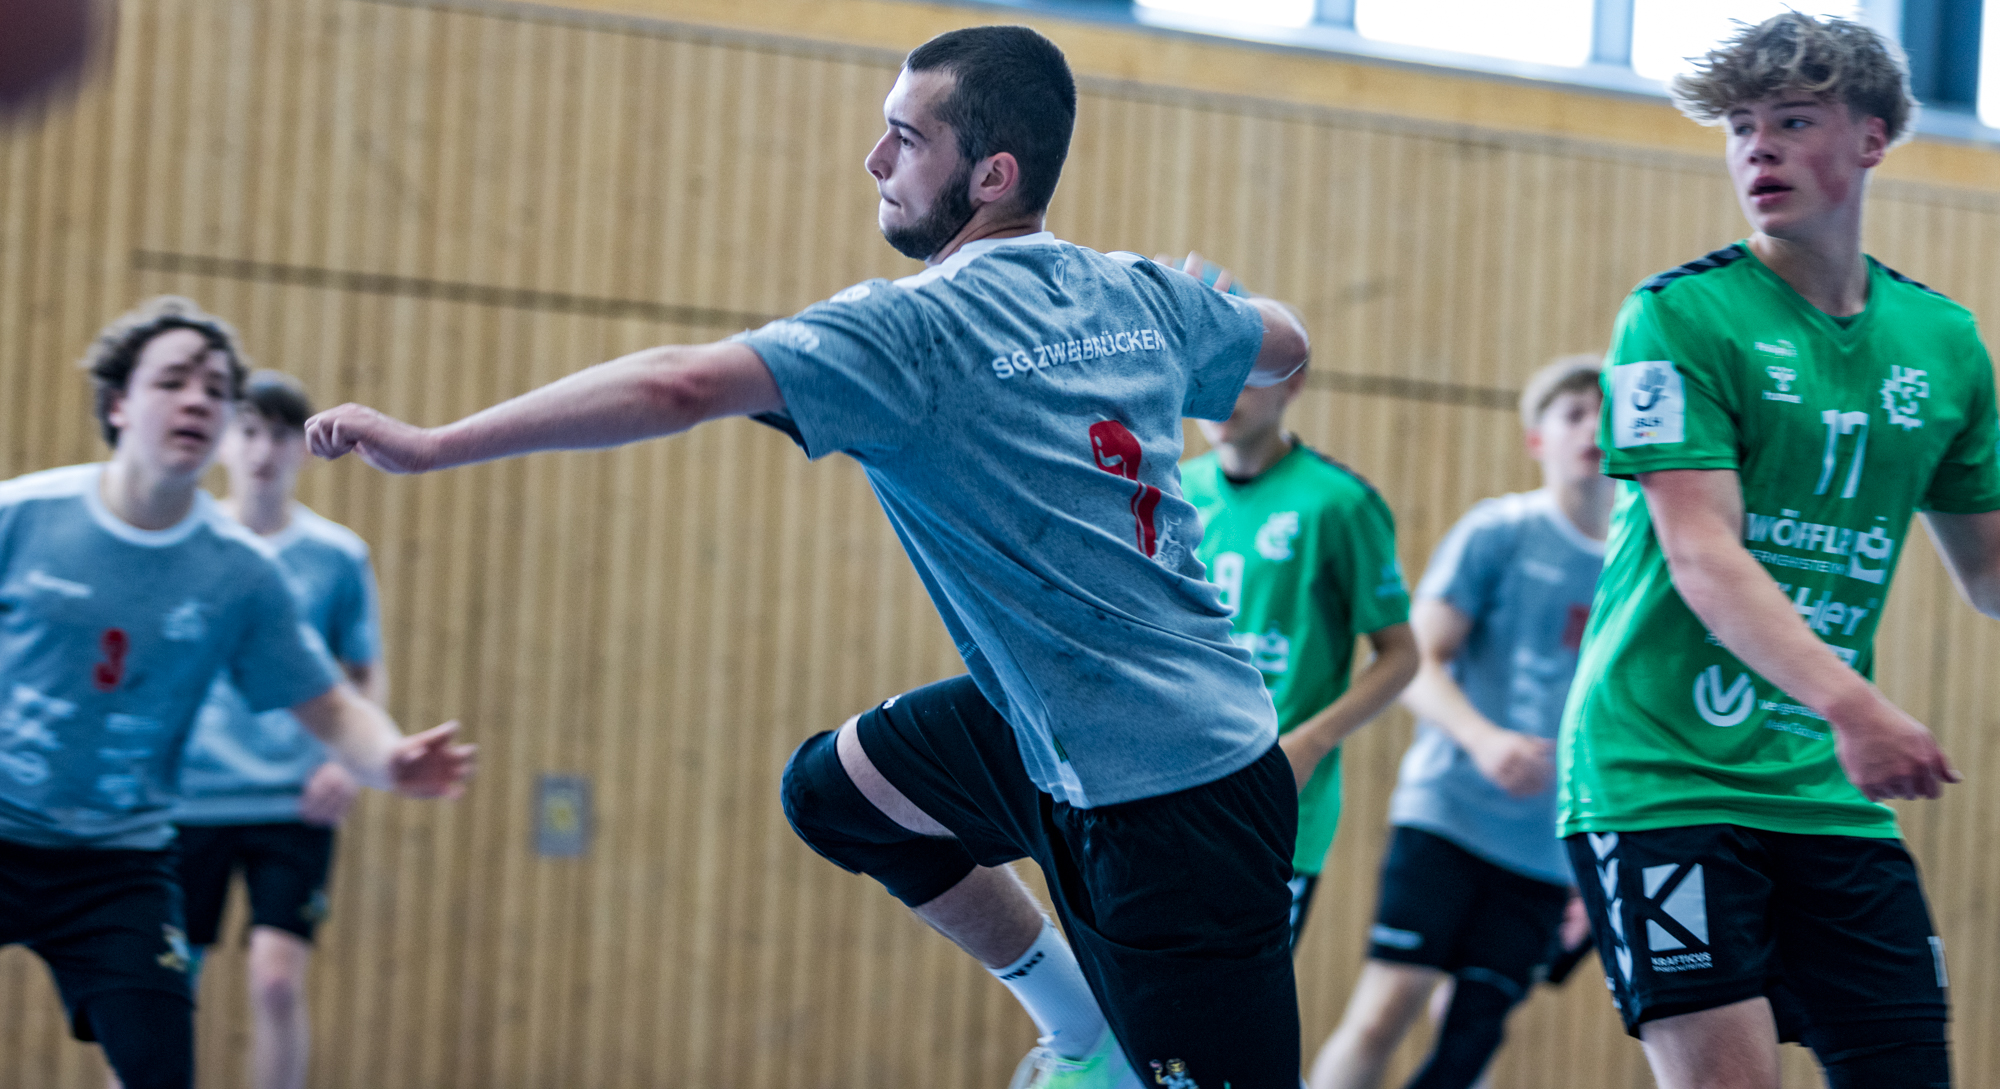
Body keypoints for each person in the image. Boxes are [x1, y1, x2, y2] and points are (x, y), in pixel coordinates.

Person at [303, 25, 1311, 1089]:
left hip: (1177, 802)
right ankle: (1081, 1034)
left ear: (992, 175)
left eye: (904, 139)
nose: (874, 161)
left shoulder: (920, 333)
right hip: (1061, 728)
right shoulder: (1133, 293)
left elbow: (678, 384)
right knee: (838, 792)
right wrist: (1212, 307)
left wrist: (435, 444)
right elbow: (1285, 342)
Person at [1560, 14, 2000, 1089]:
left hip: (1821, 790)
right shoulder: (1675, 316)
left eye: (1793, 121)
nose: (1758, 148)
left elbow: (1989, 569)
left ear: (1871, 137)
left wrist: (1842, 721)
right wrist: (1855, 706)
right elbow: (1701, 551)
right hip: (1661, 776)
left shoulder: (1943, 343)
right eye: (1741, 127)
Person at [0, 297, 474, 1089]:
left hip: (119, 862)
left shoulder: (242, 573)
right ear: (118, 404)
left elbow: (330, 704)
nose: (197, 400)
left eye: (215, 389)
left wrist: (387, 759)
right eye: (172, 381)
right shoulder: (21, 518)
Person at [1307, 356, 1609, 1089]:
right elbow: (1415, 663)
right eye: (1574, 413)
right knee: (1387, 1006)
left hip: (1547, 845)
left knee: (1474, 1035)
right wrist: (1484, 739)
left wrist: (1599, 856)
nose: (1594, 428)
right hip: (1450, 813)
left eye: (1608, 410)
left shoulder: (1642, 559)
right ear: (1537, 439)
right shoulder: (1500, 531)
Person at [170, 371, 385, 1089]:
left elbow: (363, 675)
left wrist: (348, 765)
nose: (264, 451)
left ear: (303, 447)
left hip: (292, 802)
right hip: (188, 798)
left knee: (276, 980)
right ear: (226, 442)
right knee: (163, 986)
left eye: (282, 435)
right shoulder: (187, 541)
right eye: (251, 431)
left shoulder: (337, 556)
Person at [1179, 356, 1417, 947]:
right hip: (1170, 786)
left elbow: (1400, 655)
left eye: (1240, 377)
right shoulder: (1171, 490)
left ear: (1292, 382)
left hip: (1277, 798)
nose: (1220, 395)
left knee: (1240, 992)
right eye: (1205, 377)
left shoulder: (1341, 503)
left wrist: (1309, 743)